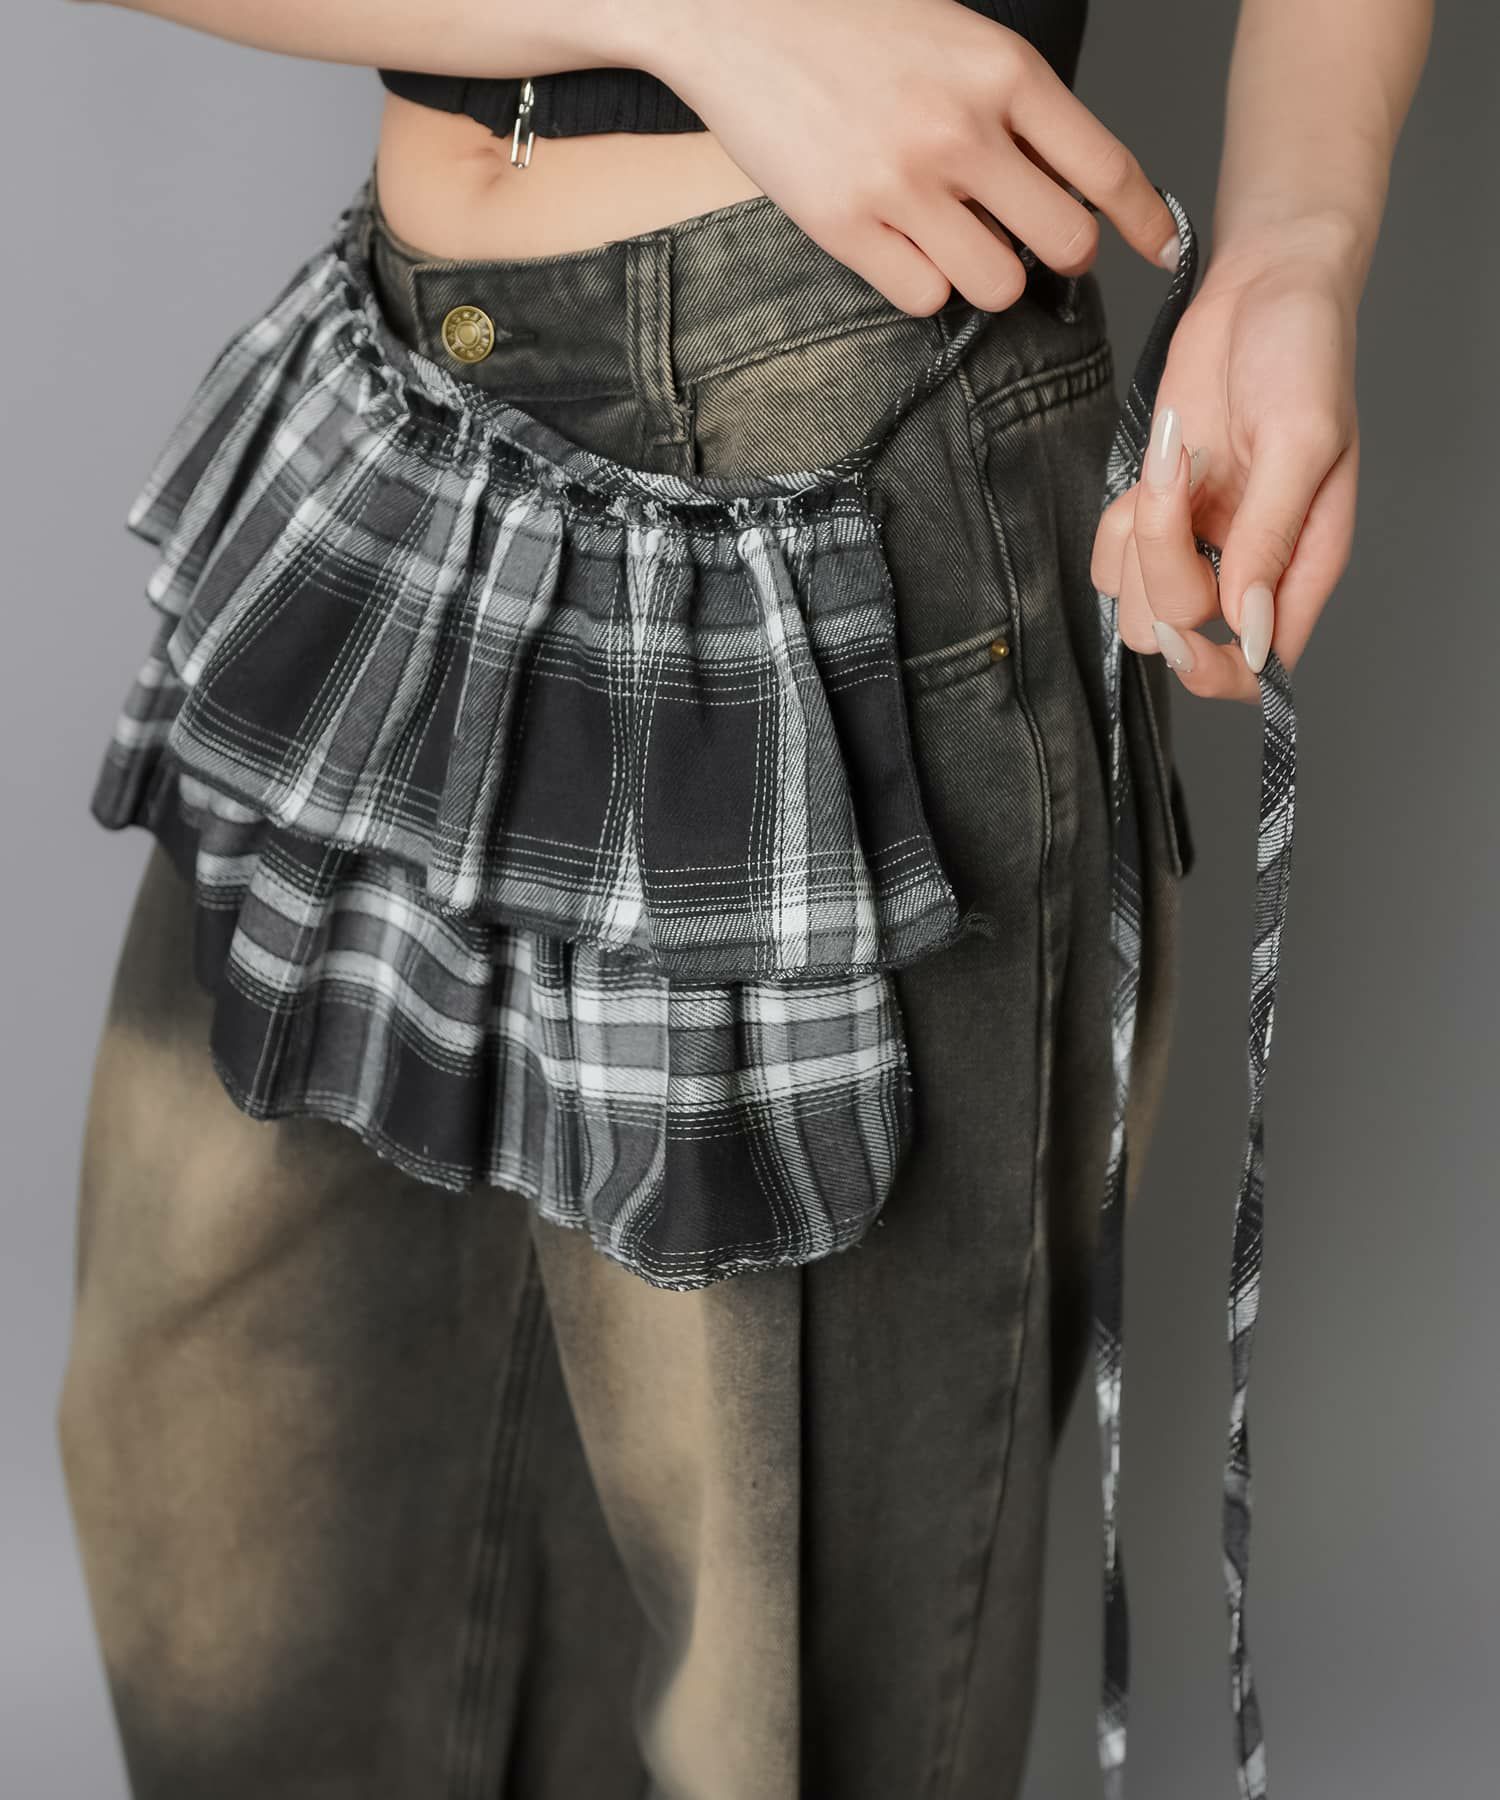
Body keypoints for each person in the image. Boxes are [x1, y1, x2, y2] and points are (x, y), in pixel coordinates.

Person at [56, 3, 1431, 1798]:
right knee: (244, 1577)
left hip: (835, 427)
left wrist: (1298, 243)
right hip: (396, 406)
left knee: (784, 1701)